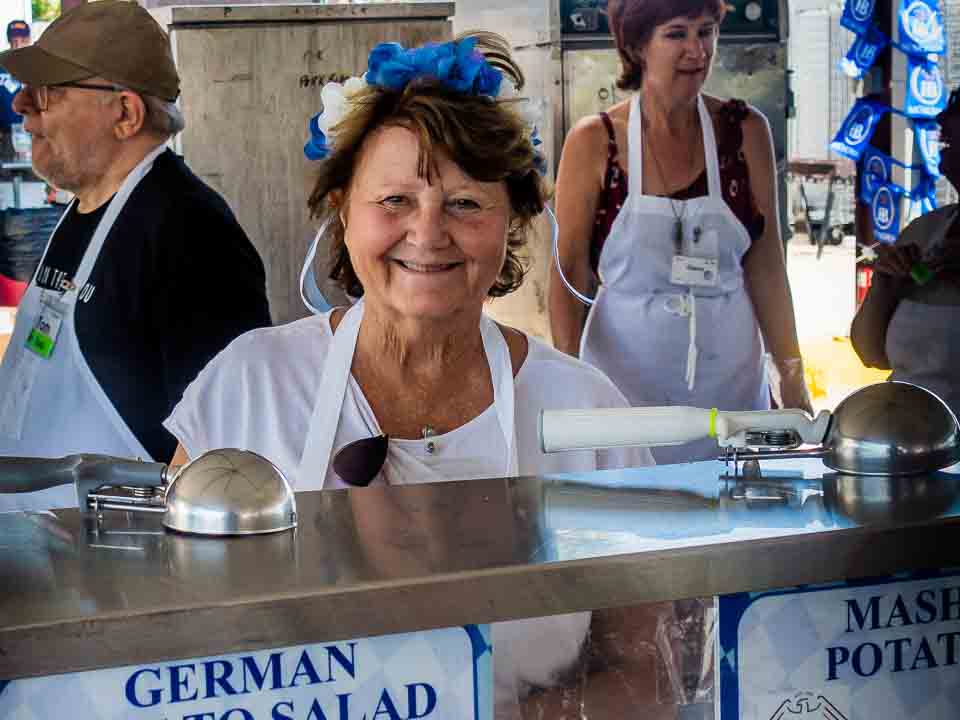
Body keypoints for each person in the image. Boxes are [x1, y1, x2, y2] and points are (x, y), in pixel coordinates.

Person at [165, 33, 654, 718]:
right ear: (343, 209)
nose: (427, 233)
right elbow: (170, 632)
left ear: (512, 221)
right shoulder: (250, 386)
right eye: (394, 200)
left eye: (465, 203)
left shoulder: (587, 413)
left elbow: (651, 667)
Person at [0, 0, 271, 511]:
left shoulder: (192, 233)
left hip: (118, 551)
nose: (22, 105)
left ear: (125, 114)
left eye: (48, 91)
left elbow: (225, 454)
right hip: (40, 541)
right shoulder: (83, 210)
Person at [549, 0, 811, 464]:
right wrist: (570, 382)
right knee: (634, 503)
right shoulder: (595, 142)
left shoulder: (746, 131)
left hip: (730, 391)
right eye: (676, 34)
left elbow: (767, 265)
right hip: (623, 391)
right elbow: (569, 272)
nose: (697, 50)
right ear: (637, 46)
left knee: (733, 501)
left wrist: (791, 377)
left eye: (706, 32)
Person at [851, 89, 960, 418]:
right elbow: (872, 354)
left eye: (957, 108)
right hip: (909, 432)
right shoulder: (925, 231)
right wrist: (884, 285)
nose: (941, 118)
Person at [1, 21, 30, 158]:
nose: (18, 44)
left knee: (32, 171)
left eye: (22, 40)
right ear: (8, 40)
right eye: (14, 40)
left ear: (28, 40)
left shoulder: (36, 65)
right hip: (4, 134)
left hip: (32, 131)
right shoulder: (1, 64)